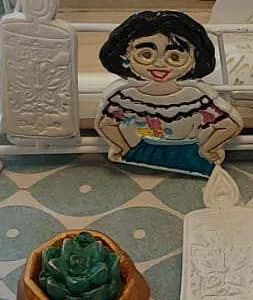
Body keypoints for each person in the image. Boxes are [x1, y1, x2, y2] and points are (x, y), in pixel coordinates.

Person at [94, 10, 242, 177]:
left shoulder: (196, 97)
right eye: (146, 55)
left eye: (175, 57)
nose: (160, 64)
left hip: (187, 154)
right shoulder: (126, 97)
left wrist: (206, 149)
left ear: (194, 59)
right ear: (125, 55)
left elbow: (228, 125)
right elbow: (107, 123)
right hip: (145, 151)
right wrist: (122, 147)